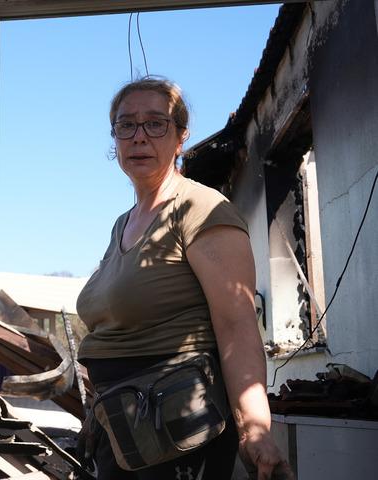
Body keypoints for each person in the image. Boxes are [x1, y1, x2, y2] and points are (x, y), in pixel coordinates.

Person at [75, 77, 293, 480]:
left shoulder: (201, 208)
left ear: (180, 137)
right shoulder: (123, 223)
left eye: (155, 123)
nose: (139, 137)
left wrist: (255, 430)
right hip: (121, 425)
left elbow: (238, 324)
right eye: (127, 125)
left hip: (175, 426)